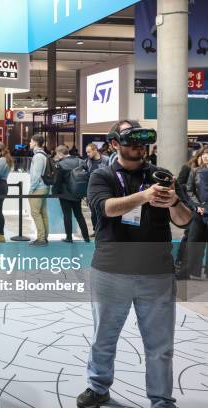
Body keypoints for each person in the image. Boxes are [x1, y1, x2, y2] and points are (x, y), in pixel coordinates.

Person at [77, 120, 192, 408]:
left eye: (143, 142)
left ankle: (162, 399)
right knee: (104, 336)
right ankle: (98, 386)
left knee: (160, 345)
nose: (140, 147)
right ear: (115, 144)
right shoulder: (101, 176)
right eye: (132, 141)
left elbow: (184, 220)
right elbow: (106, 208)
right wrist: (144, 196)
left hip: (157, 273)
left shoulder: (161, 176)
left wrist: (174, 201)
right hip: (111, 270)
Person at [174, 148, 205, 277]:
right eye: (205, 154)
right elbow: (180, 186)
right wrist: (190, 204)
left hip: (203, 208)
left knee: (197, 238)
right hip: (191, 207)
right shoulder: (188, 168)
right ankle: (182, 265)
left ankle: (193, 269)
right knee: (191, 237)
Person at [53, 145, 90, 242]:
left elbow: (57, 180)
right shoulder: (79, 160)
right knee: (79, 215)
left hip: (65, 193)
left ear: (60, 153)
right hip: (78, 191)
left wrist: (54, 192)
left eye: (57, 153)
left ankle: (69, 237)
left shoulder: (60, 164)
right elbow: (87, 173)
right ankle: (86, 237)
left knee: (67, 215)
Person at [181, 145, 208, 280]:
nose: (206, 156)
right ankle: (189, 271)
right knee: (194, 240)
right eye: (204, 153)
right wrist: (197, 205)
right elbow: (190, 190)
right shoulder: (195, 170)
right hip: (198, 211)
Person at [28, 134, 50, 246]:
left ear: (36, 143)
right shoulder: (44, 155)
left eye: (31, 141)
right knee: (43, 213)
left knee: (36, 213)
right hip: (44, 187)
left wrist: (31, 189)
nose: (29, 143)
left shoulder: (37, 157)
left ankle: (41, 239)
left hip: (38, 188)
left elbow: (36, 176)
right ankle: (44, 237)